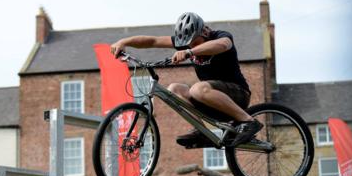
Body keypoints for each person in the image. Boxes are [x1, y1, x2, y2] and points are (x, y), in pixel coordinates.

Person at [110, 12, 263, 147]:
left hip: (237, 96)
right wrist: (124, 42)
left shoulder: (220, 36)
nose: (190, 46)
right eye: (187, 44)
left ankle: (249, 121)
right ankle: (201, 131)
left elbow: (222, 45)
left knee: (197, 88)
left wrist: (190, 52)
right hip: (209, 102)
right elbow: (153, 41)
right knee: (174, 89)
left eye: (195, 43)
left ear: (204, 31)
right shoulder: (186, 43)